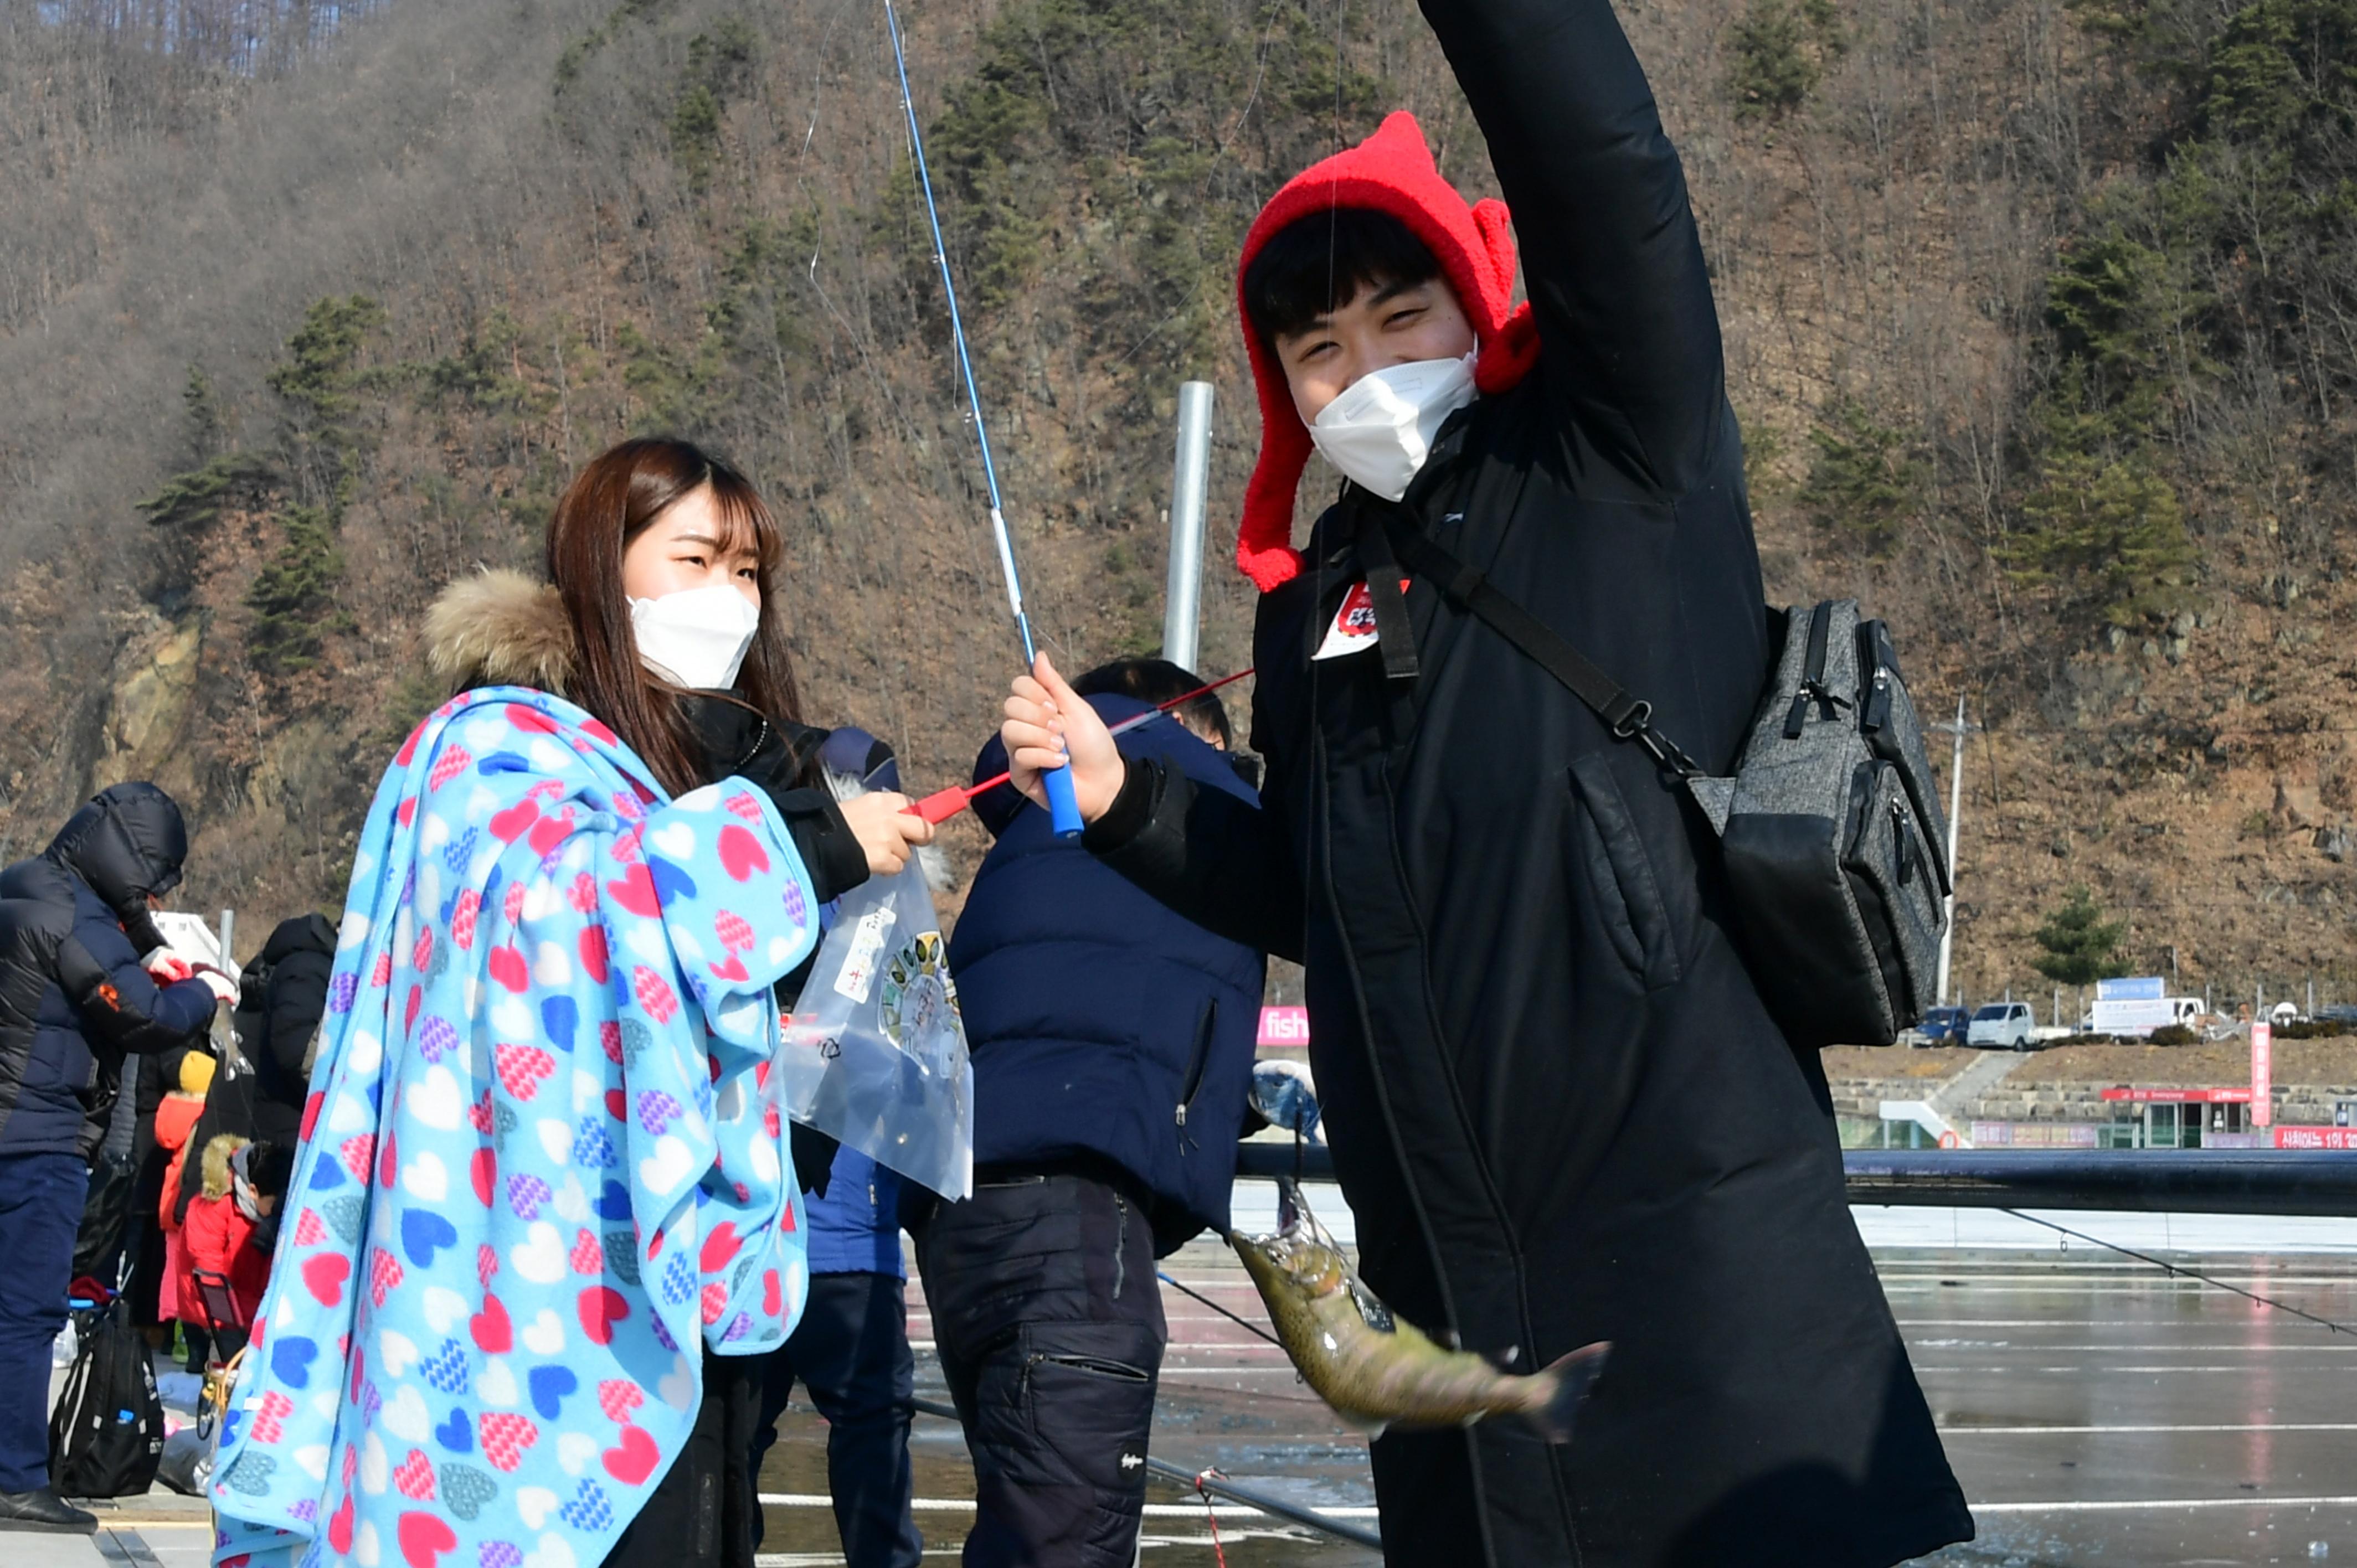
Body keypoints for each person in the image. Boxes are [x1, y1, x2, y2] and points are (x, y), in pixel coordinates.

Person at [996, 1, 1977, 1562]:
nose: (1360, 371)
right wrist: (1129, 804)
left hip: (1689, 1252)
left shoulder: (1616, 454)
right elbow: (1327, 897)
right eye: (1318, 351)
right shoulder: (1314, 601)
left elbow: (1614, 173)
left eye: (1401, 319)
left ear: (1480, 297)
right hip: (1447, 1287)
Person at [209, 436, 934, 1568]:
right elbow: (558, 918)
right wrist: (804, 854)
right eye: (693, 559)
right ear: (600, 569)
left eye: (747, 572)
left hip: (695, 1291)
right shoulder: (494, 747)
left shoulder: (725, 768)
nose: (727, 599)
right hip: (527, 1292)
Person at [929, 658, 1264, 1567]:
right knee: (1063, 1544)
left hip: (963, 1210)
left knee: (1022, 1520)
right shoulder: (1204, 805)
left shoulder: (1024, 833)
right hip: (1080, 1212)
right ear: (1199, 733)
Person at [0, 781, 222, 1534]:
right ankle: (17, 1478)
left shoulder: (21, 884)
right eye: (155, 885)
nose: (155, 903)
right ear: (134, 864)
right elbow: (150, 1018)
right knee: (27, 1315)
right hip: (41, 1139)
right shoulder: (83, 921)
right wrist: (203, 989)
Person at [747, 727, 925, 1568]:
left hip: (753, 1238)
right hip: (855, 1242)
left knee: (730, 1454)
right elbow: (917, 1083)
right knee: (875, 1468)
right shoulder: (897, 929)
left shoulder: (755, 901)